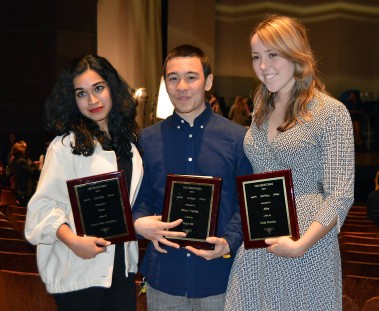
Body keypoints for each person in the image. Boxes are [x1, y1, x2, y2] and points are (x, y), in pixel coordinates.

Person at [225, 15, 354, 311]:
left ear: (296, 54)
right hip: (259, 239)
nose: (263, 66)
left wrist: (301, 245)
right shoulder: (260, 107)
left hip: (306, 245)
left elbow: (341, 194)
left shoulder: (330, 112)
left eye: (273, 55)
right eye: (256, 57)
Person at [133, 44, 252, 310]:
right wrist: (139, 222)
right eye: (173, 78)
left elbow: (246, 203)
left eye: (191, 77)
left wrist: (229, 242)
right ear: (165, 83)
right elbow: (143, 198)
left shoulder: (238, 139)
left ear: (208, 81)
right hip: (164, 277)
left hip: (219, 278)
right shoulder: (148, 140)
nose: (182, 87)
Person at [24, 55, 143, 311]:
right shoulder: (66, 146)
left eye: (98, 88)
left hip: (121, 269)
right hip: (79, 269)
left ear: (112, 88)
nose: (92, 100)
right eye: (81, 93)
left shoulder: (130, 146)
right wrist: (73, 241)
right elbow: (43, 207)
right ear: (72, 99)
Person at [10, 141, 38, 206]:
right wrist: (36, 167)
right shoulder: (22, 161)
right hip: (24, 191)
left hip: (17, 188)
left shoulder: (13, 160)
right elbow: (31, 173)